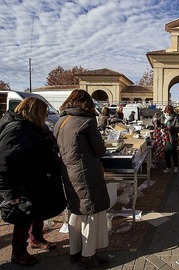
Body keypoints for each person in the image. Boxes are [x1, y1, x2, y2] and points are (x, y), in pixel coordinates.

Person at [0, 97, 66, 266]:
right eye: (44, 113)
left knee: (37, 211)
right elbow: (5, 163)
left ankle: (36, 238)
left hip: (36, 180)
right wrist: (10, 193)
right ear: (35, 112)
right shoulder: (17, 129)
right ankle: (18, 252)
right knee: (23, 216)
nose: (46, 116)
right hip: (23, 184)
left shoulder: (33, 127)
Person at [54, 89, 110, 269]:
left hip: (68, 172)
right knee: (90, 212)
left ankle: (75, 251)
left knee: (76, 211)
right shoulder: (86, 121)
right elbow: (100, 150)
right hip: (86, 173)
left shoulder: (61, 121)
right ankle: (88, 254)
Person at [160, 105, 179, 173]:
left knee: (174, 153)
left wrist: (170, 128)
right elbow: (158, 123)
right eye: (167, 112)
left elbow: (178, 128)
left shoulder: (176, 117)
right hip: (165, 138)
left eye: (169, 112)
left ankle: (176, 167)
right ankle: (168, 167)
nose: (168, 114)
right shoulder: (163, 116)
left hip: (173, 137)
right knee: (166, 153)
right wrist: (154, 120)